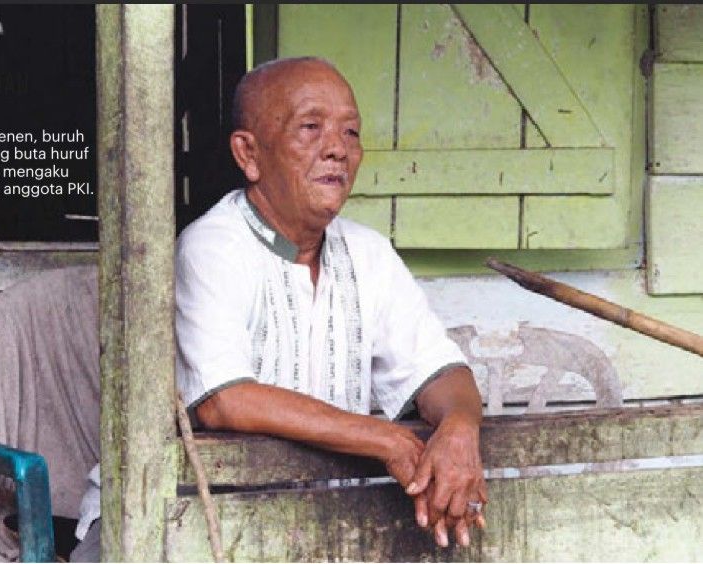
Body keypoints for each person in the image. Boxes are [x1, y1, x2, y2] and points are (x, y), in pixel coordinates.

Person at [175, 56, 487, 548]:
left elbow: (440, 371)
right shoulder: (211, 247)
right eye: (311, 127)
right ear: (248, 154)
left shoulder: (368, 253)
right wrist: (386, 439)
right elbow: (225, 399)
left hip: (325, 526)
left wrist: (459, 429)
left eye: (351, 132)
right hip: (194, 523)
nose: (338, 149)